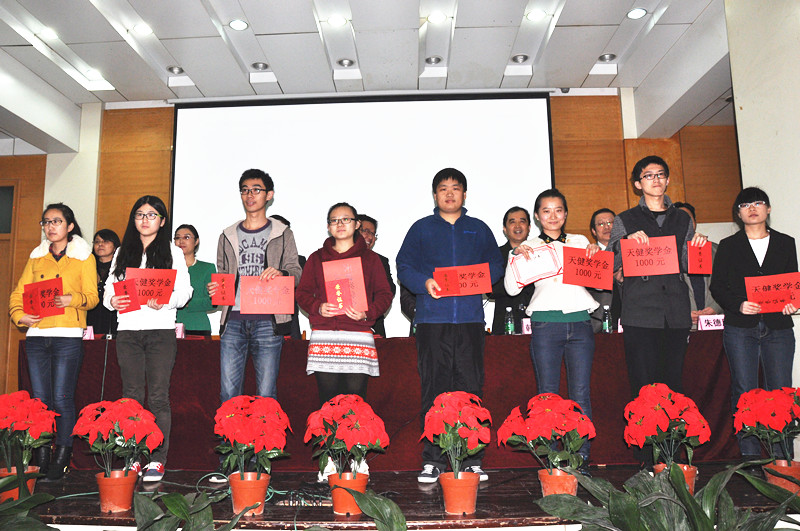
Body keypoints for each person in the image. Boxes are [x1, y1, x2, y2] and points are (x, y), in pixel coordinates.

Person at [396, 168, 503, 483]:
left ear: (464, 194)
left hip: (470, 320)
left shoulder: (478, 229)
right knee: (434, 389)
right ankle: (433, 460)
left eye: (456, 188)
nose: (449, 193)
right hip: (432, 321)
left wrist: (481, 278)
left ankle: (472, 459)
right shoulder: (421, 229)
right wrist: (424, 282)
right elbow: (404, 266)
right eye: (443, 188)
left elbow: (496, 264)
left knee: (471, 389)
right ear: (435, 195)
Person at [505, 190, 599, 471]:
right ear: (537, 216)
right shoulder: (529, 246)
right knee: (547, 396)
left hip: (581, 323)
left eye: (558, 210)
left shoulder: (580, 242)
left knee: (580, 394)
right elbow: (511, 289)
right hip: (545, 325)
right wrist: (514, 255)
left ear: (566, 214)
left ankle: (580, 457)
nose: (553, 216)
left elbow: (598, 279)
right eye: (546, 211)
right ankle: (553, 459)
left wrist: (597, 254)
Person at [607, 156, 706, 416]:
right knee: (643, 387)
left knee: (674, 386)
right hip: (640, 313)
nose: (656, 179)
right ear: (638, 184)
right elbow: (609, 263)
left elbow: (688, 265)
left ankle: (672, 441)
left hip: (675, 311)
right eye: (648, 175)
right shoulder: (624, 219)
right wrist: (625, 242)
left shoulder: (683, 219)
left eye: (660, 174)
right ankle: (646, 442)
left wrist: (697, 248)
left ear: (668, 180)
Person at [105, 195, 193, 482]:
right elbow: (109, 290)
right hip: (128, 331)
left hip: (160, 332)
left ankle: (157, 459)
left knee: (157, 397)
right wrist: (112, 302)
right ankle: (131, 457)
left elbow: (185, 292)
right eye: (140, 214)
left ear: (162, 221)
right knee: (130, 397)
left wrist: (166, 300)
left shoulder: (173, 252)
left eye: (152, 215)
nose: (145, 220)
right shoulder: (122, 252)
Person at [9, 203, 98, 481]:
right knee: (40, 401)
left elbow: (93, 297)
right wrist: (19, 316)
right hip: (37, 336)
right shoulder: (36, 257)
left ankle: (62, 458)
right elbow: (18, 294)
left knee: (61, 398)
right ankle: (42, 457)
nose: (50, 226)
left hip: (67, 335)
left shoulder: (84, 257)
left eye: (56, 221)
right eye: (46, 222)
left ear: (69, 226)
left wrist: (73, 299)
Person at [710, 187, 797, 462]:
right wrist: (738, 304)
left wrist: (792, 303)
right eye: (745, 204)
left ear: (768, 209)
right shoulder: (728, 245)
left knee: (781, 392)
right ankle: (750, 456)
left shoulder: (785, 242)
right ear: (738, 213)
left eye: (758, 203)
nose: (752, 208)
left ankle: (782, 456)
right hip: (740, 327)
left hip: (778, 327)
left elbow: (791, 284)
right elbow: (717, 286)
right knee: (744, 391)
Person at [207, 169, 302, 401]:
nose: (250, 195)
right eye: (245, 190)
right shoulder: (227, 235)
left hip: (268, 321)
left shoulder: (283, 233)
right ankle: (230, 428)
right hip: (233, 320)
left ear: (269, 195)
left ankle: (265, 428)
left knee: (266, 394)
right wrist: (215, 290)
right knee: (228, 393)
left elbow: (296, 272)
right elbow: (223, 274)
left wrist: (280, 273)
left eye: (256, 190)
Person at [296, 202, 392, 405]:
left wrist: (367, 312)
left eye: (346, 219)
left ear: (356, 225)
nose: (340, 224)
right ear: (328, 226)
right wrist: (317, 307)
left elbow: (385, 294)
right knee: (328, 402)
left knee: (355, 403)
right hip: (325, 336)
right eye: (334, 220)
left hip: (358, 335)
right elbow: (302, 293)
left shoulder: (371, 259)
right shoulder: (317, 258)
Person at [672, 202, 722, 329]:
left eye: (688, 219)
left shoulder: (718, 251)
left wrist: (716, 307)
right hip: (680, 326)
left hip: (714, 324)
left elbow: (729, 285)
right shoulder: (665, 256)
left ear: (695, 222)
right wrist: (681, 313)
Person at [490, 206, 535, 335]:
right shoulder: (495, 255)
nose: (517, 226)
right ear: (505, 229)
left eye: (522, 221)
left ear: (529, 227)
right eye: (512, 222)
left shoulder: (540, 253)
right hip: (505, 321)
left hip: (537, 322)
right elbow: (491, 290)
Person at [357, 214, 396, 337]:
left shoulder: (380, 261)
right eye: (365, 231)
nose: (370, 237)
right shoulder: (338, 258)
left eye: (373, 234)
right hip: (342, 325)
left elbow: (390, 290)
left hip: (374, 323)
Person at [174, 224, 216, 336]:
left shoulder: (207, 268)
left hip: (197, 327)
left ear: (196, 241)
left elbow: (213, 302)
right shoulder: (166, 269)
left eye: (186, 237)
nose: (181, 241)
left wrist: (184, 301)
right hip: (169, 327)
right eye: (177, 238)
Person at [270, 214, 306, 340]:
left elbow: (303, 292)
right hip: (260, 320)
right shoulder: (255, 260)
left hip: (289, 321)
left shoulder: (299, 262)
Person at [587, 208, 621, 332]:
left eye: (610, 222)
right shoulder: (588, 256)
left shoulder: (628, 252)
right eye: (601, 224)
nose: (607, 227)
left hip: (628, 319)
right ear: (593, 231)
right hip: (598, 322)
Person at [86, 229, 120, 337]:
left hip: (112, 316)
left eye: (105, 241)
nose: (100, 244)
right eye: (97, 241)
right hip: (92, 315)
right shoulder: (87, 266)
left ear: (115, 246)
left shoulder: (121, 268)